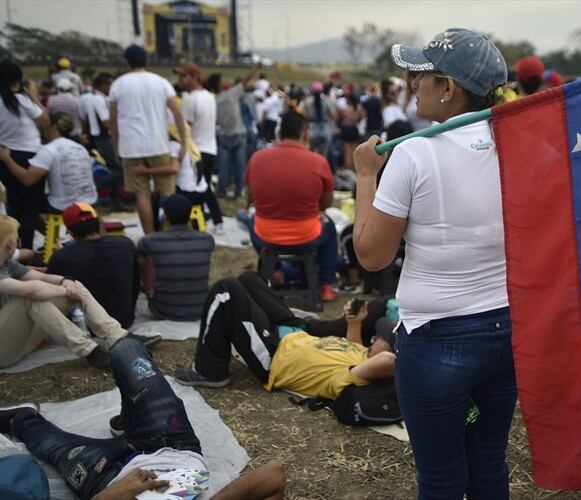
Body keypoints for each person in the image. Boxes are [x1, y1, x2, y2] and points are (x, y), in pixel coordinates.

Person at [355, 28, 513, 499]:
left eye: (420, 75)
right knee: (488, 462)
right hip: (506, 331)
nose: (410, 84)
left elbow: (371, 254)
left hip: (436, 337)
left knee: (442, 478)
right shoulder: (516, 145)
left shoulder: (414, 153)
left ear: (448, 87)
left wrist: (366, 176)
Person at [0, 337, 286, 500]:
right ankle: (132, 418)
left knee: (45, 440)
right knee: (127, 349)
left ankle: (20, 419)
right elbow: (273, 473)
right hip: (173, 446)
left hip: (104, 476)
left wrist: (115, 494)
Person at [173, 271, 396, 398]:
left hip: (273, 355)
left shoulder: (354, 379)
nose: (375, 336)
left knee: (226, 290)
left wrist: (407, 357)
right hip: (294, 333)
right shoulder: (362, 353)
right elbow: (355, 345)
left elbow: (389, 361)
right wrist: (354, 322)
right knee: (250, 279)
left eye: (381, 338)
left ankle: (208, 372)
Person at [0, 215, 138, 369]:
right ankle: (90, 351)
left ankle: (118, 336)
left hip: (12, 339)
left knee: (74, 284)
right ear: (10, 243)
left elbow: (42, 276)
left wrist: (66, 282)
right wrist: (65, 291)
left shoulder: (5, 261)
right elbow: (30, 290)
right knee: (29, 299)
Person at [244, 111, 339, 302]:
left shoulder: (257, 159)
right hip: (307, 234)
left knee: (250, 219)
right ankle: (326, 284)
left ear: (279, 132)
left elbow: (250, 198)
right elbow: (327, 202)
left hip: (265, 234)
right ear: (305, 133)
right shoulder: (318, 162)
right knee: (330, 227)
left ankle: (276, 270)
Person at [109, 44, 187, 234]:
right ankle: (172, 233)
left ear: (127, 62)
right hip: (158, 143)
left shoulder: (118, 85)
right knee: (167, 193)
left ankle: (150, 236)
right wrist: (183, 142)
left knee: (141, 195)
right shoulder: (161, 82)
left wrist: (116, 147)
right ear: (146, 60)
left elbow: (113, 122)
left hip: (130, 146)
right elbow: (177, 113)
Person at [0, 60, 49, 249]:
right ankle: (27, 249)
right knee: (30, 208)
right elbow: (45, 120)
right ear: (18, 80)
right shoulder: (22, 100)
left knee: (13, 207)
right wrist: (34, 97)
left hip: (4, 156)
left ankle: (11, 250)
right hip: (29, 155)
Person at [47, 203, 141, 330]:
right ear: (99, 224)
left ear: (71, 232)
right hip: (124, 320)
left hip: (83, 325)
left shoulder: (61, 257)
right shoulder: (126, 245)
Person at [0, 112, 97, 213]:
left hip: (62, 206)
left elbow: (28, 179)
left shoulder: (49, 149)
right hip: (89, 202)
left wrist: (6, 158)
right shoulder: (81, 148)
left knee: (28, 200)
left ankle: (28, 227)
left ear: (54, 127)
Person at [138, 194, 215, 322]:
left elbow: (140, 251)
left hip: (163, 309)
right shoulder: (207, 239)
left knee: (143, 258)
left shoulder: (151, 241)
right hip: (200, 309)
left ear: (165, 217)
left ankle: (149, 291)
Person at [175, 62, 223, 233]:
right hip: (210, 147)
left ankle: (196, 221)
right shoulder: (210, 96)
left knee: (193, 187)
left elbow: (184, 127)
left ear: (195, 77)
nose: (180, 79)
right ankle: (216, 220)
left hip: (195, 149)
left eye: (183, 76)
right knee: (205, 185)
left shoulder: (189, 99)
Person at [210, 65, 259, 198]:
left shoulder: (213, 101)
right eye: (222, 80)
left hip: (224, 135)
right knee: (240, 165)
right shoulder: (231, 94)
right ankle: (238, 191)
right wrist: (254, 69)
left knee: (224, 166)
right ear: (219, 84)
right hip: (238, 134)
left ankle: (221, 190)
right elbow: (246, 80)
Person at [80, 72, 125, 208]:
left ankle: (115, 199)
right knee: (119, 169)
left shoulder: (94, 98)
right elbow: (105, 121)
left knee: (115, 168)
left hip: (100, 137)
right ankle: (98, 185)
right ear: (104, 85)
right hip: (103, 138)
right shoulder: (98, 100)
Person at [302, 81, 337, 159]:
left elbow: (305, 117)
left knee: (310, 156)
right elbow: (334, 116)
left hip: (312, 130)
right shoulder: (327, 101)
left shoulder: (307, 102)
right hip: (325, 130)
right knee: (322, 157)